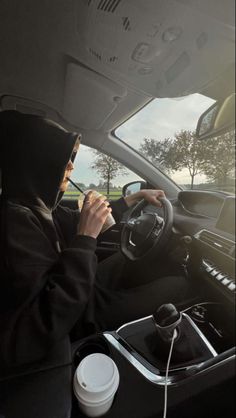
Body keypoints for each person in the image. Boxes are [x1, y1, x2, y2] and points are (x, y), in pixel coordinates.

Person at [0, 110, 189, 370]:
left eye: (72, 158)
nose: (70, 167)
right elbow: (45, 318)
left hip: (75, 287)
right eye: (63, 158)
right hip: (76, 314)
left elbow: (78, 218)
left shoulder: (38, 206)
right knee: (178, 284)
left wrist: (133, 198)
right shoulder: (14, 224)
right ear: (37, 161)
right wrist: (86, 237)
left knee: (126, 260)